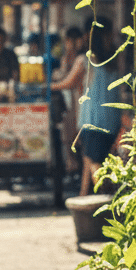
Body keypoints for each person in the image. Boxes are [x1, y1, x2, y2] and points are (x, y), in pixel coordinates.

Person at [76, 20, 121, 196]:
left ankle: (106, 196)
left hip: (93, 120)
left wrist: (48, 86)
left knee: (94, 163)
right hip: (111, 120)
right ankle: (83, 196)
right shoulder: (114, 60)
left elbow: (69, 83)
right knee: (90, 159)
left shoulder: (86, 60)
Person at [51, 26, 86, 174]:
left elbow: (70, 82)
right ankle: (73, 165)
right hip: (69, 102)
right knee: (69, 134)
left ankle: (79, 167)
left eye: (68, 41)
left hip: (79, 101)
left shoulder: (82, 59)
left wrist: (50, 86)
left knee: (78, 134)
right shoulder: (67, 57)